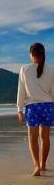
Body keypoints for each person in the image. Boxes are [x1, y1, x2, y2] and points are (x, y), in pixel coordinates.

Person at [17, 42, 54, 176]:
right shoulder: (52, 69)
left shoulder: (24, 68)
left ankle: (36, 166)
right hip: (48, 106)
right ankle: (43, 165)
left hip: (32, 107)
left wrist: (19, 109)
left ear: (31, 54)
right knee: (45, 137)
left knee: (32, 138)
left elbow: (21, 90)